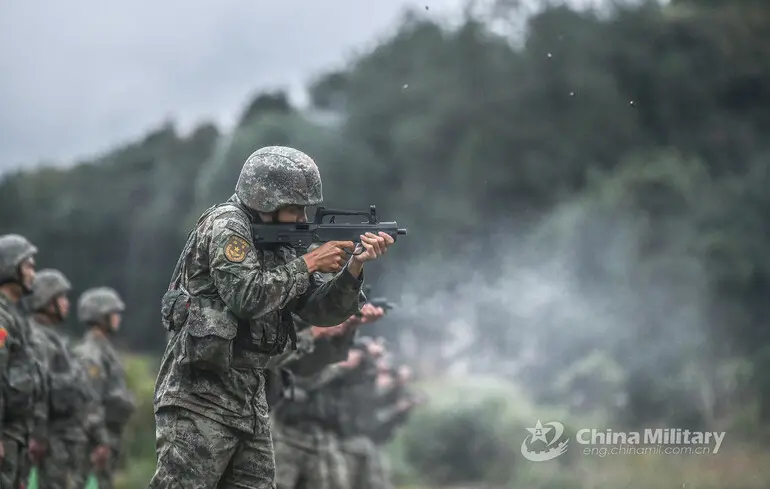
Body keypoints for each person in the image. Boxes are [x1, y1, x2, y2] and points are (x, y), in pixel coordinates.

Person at [148, 145, 396, 489]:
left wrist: (353, 267)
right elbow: (247, 296)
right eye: (294, 208)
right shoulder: (227, 226)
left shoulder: (281, 245)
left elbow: (318, 310)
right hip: (199, 398)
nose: (302, 219)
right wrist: (309, 261)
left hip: (250, 400)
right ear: (265, 199)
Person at [25, 270, 111, 489]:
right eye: (61, 298)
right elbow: (38, 389)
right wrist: (39, 435)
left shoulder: (55, 340)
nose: (66, 304)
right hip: (53, 440)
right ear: (46, 299)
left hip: (67, 441)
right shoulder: (38, 340)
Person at [72, 287, 136, 489]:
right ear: (100, 315)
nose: (118, 318)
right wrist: (101, 440)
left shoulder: (105, 349)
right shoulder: (91, 353)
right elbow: (91, 399)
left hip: (110, 436)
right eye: (114, 313)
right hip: (95, 440)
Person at [0, 234, 46, 489]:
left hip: (17, 435)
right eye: (28, 266)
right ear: (10, 266)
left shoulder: (16, 318)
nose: (33, 274)